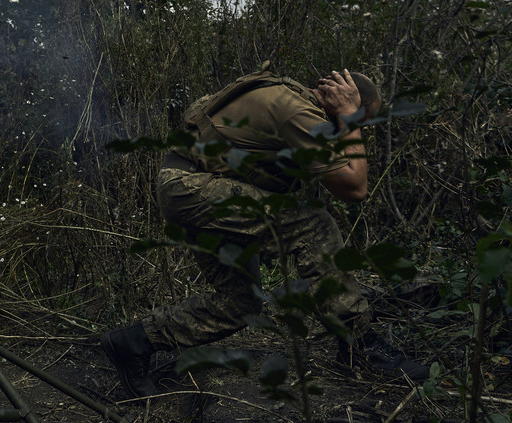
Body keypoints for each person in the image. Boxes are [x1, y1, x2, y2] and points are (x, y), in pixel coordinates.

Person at [101, 66, 429, 398]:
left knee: (240, 304)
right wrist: (350, 119)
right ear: (342, 102)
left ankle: (132, 342)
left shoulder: (296, 106)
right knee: (314, 225)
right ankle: (359, 345)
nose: (358, 130)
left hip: (192, 186)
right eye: (361, 119)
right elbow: (355, 188)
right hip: (193, 188)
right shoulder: (298, 111)